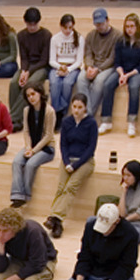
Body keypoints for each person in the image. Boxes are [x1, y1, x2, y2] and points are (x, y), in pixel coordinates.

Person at [44, 95, 97, 240]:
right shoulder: (67, 122)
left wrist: (75, 165)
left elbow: (91, 148)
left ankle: (54, 217)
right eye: (74, 107)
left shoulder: (91, 123)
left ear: (85, 107)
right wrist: (67, 162)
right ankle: (57, 223)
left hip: (84, 161)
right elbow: (63, 145)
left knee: (71, 187)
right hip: (68, 161)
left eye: (80, 107)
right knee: (61, 187)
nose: (77, 110)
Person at [9, 81, 56, 207]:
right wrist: (28, 147)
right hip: (31, 146)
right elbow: (26, 131)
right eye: (28, 95)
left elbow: (48, 136)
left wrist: (34, 151)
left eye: (33, 94)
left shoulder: (49, 111)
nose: (31, 98)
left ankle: (26, 195)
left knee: (30, 164)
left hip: (46, 148)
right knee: (17, 161)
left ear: (40, 93)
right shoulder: (26, 110)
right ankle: (17, 195)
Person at [76, 8, 120, 133]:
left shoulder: (117, 36)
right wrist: (89, 66)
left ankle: (86, 116)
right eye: (97, 24)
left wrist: (98, 69)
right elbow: (88, 54)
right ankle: (88, 116)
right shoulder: (91, 35)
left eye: (101, 23)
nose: (99, 26)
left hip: (107, 67)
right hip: (92, 65)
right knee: (80, 79)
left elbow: (112, 58)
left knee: (99, 82)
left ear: (107, 20)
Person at [9, 7, 52, 131]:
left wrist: (28, 72)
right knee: (13, 83)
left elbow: (44, 60)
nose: (32, 27)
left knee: (29, 85)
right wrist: (23, 71)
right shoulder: (21, 35)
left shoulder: (46, 35)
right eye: (29, 24)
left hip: (41, 67)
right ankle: (17, 120)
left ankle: (11, 117)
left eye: (34, 24)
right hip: (27, 66)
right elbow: (23, 57)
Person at [114, 13, 140, 139]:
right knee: (107, 84)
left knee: (134, 87)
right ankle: (105, 120)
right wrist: (121, 74)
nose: (129, 29)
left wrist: (127, 76)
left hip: (137, 72)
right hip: (122, 71)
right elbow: (117, 62)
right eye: (127, 26)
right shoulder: (120, 41)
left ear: (137, 27)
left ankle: (132, 122)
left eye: (132, 26)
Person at [47, 13, 84, 121]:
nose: (68, 30)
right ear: (61, 26)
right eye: (65, 27)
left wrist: (68, 69)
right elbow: (51, 60)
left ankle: (61, 113)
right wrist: (60, 67)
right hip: (57, 66)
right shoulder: (55, 38)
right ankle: (57, 111)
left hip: (72, 67)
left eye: (70, 28)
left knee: (67, 84)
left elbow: (79, 61)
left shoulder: (79, 38)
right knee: (54, 83)